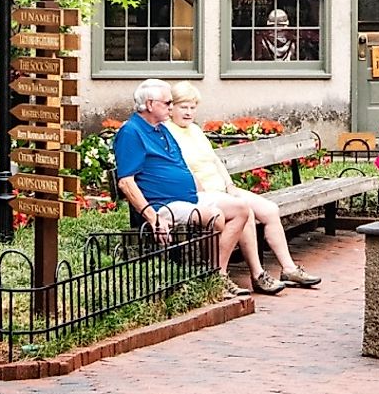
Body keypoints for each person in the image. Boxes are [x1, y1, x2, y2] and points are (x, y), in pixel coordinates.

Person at [165, 82, 318, 292]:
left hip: (222, 188)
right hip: (204, 193)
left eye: (192, 107)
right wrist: (204, 193)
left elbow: (215, 160)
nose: (189, 112)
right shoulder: (167, 132)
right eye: (184, 107)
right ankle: (258, 274)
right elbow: (182, 168)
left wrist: (229, 184)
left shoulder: (195, 130)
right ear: (171, 107)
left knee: (270, 210)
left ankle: (289, 268)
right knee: (243, 211)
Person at [111, 79, 259, 296]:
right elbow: (126, 182)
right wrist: (153, 218)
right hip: (164, 205)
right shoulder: (131, 132)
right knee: (214, 216)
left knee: (241, 209)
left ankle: (217, 277)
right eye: (167, 102)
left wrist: (203, 193)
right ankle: (215, 279)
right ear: (150, 104)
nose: (171, 107)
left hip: (188, 197)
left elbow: (181, 167)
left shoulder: (161, 129)